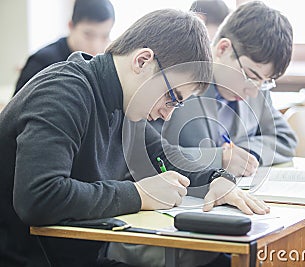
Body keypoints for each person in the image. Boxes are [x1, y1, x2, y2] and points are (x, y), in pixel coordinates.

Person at [0, 8, 269, 267]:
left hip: (82, 252)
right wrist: (138, 194)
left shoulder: (125, 104)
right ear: (142, 61)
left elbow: (166, 158)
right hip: (30, 258)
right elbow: (38, 197)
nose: (166, 114)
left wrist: (216, 179)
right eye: (171, 98)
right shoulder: (64, 92)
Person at [151, 1, 297, 177]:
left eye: (265, 82)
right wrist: (219, 159)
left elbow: (284, 138)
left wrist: (245, 155)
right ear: (223, 48)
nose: (253, 92)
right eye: (250, 76)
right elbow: (149, 151)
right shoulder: (178, 76)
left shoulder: (257, 86)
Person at [13, 0, 115, 96]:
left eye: (105, 36)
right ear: (71, 26)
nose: (95, 46)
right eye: (88, 35)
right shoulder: (42, 61)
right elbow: (15, 112)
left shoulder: (104, 65)